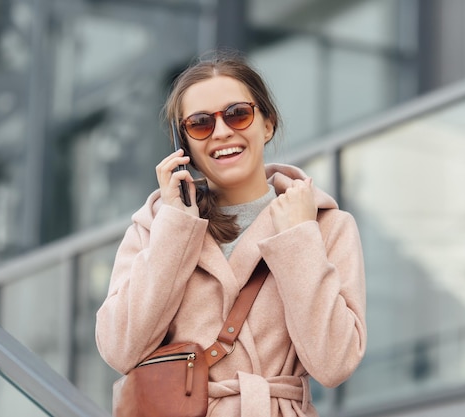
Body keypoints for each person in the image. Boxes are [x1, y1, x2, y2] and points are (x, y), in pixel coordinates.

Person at [95, 50, 367, 416]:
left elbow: (335, 363)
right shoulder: (155, 228)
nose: (222, 132)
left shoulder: (324, 225)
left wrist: (297, 239)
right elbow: (119, 348)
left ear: (267, 124)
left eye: (238, 114)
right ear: (184, 144)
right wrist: (175, 227)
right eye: (200, 123)